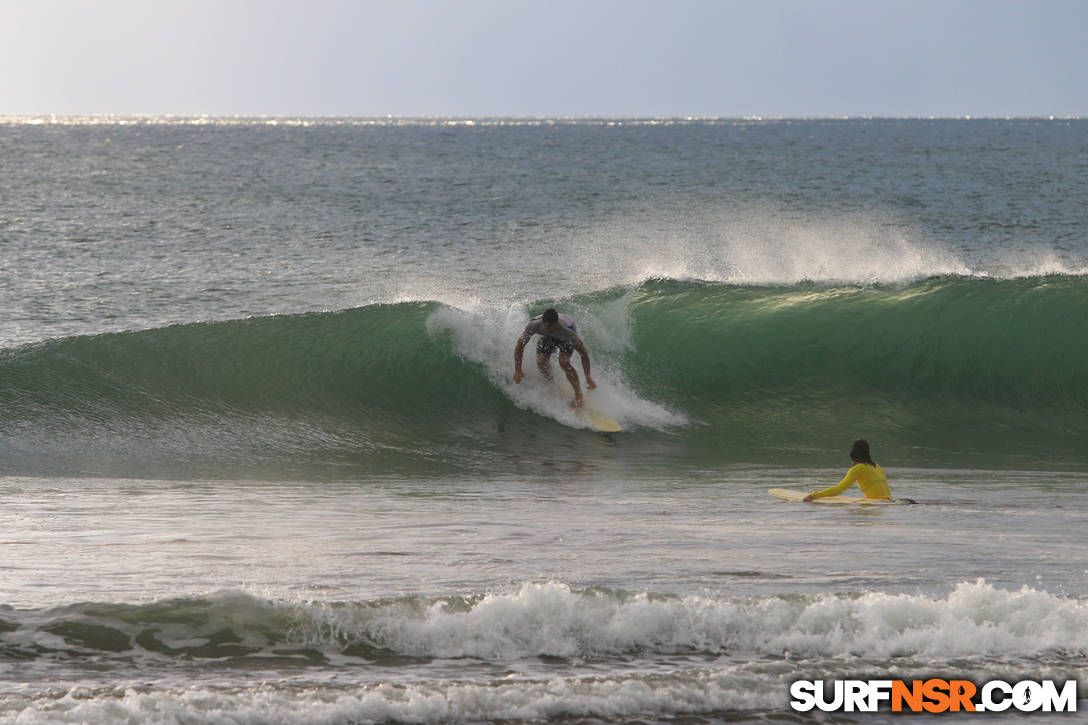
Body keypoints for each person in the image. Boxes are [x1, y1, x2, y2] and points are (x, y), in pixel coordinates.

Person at [513, 308, 596, 407]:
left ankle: (578, 394)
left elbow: (584, 354)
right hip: (547, 338)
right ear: (543, 323)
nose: (552, 329)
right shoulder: (533, 325)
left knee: (564, 362)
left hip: (565, 339)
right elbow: (520, 346)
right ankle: (550, 383)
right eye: (549, 326)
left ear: (557, 322)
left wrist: (588, 376)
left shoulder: (568, 331)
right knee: (541, 361)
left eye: (554, 326)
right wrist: (518, 369)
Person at [803, 439, 892, 501]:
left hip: (877, 504)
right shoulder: (877, 466)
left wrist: (814, 496)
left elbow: (840, 488)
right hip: (888, 502)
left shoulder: (858, 468)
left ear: (853, 453)